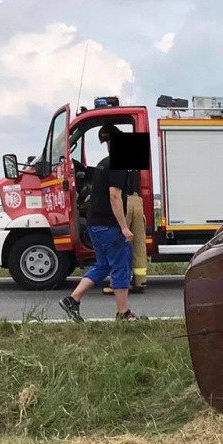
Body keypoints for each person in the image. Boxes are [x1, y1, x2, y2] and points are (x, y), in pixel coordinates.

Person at [59, 125, 143, 322]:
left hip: (95, 224)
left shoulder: (103, 163)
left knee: (103, 265)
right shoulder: (118, 164)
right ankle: (123, 314)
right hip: (110, 227)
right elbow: (114, 196)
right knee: (121, 267)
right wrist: (124, 227)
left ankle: (72, 300)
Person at [104, 179, 146, 294]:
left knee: (119, 244)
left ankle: (116, 284)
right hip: (138, 201)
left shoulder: (117, 169)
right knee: (139, 245)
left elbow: (114, 193)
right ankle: (140, 282)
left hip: (124, 201)